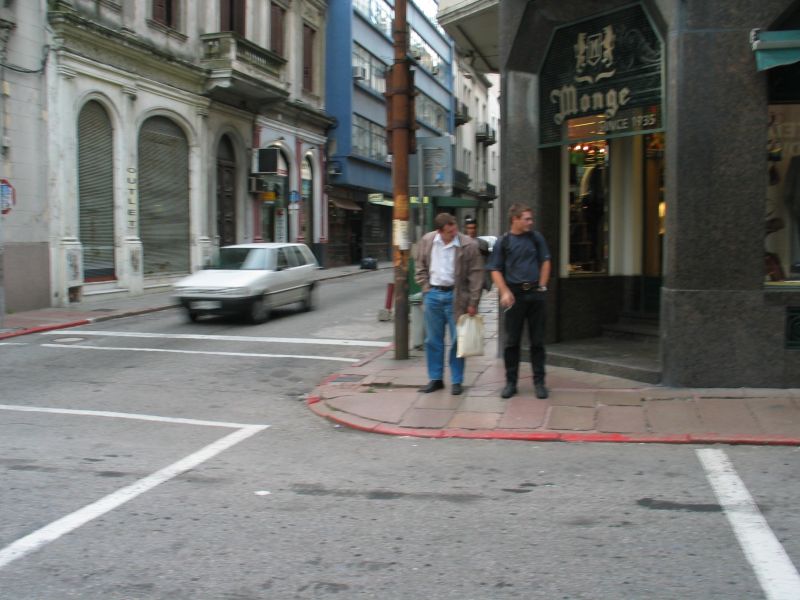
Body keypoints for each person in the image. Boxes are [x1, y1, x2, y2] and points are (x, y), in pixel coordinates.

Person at [415, 212, 484, 395]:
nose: (454, 234)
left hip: (457, 297)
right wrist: (426, 287)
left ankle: (456, 380)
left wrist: (473, 302)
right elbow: (420, 265)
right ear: (439, 231)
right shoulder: (428, 241)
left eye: (455, 229)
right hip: (433, 294)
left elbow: (476, 274)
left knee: (457, 340)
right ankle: (435, 378)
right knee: (432, 340)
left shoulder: (468, 244)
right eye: (449, 232)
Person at [487, 203, 552, 399]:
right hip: (514, 295)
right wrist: (504, 291)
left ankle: (539, 383)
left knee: (537, 341)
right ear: (515, 219)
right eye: (527, 219)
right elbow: (495, 269)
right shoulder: (503, 242)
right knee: (512, 342)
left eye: (531, 219)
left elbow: (546, 261)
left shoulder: (536, 238)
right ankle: (510, 383)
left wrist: (542, 286)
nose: (531, 222)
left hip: (535, 293)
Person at [464, 215, 492, 291]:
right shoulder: (461, 244)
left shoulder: (483, 244)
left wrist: (488, 282)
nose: (472, 230)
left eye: (473, 228)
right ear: (466, 229)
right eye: (469, 228)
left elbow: (487, 263)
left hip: (479, 282)